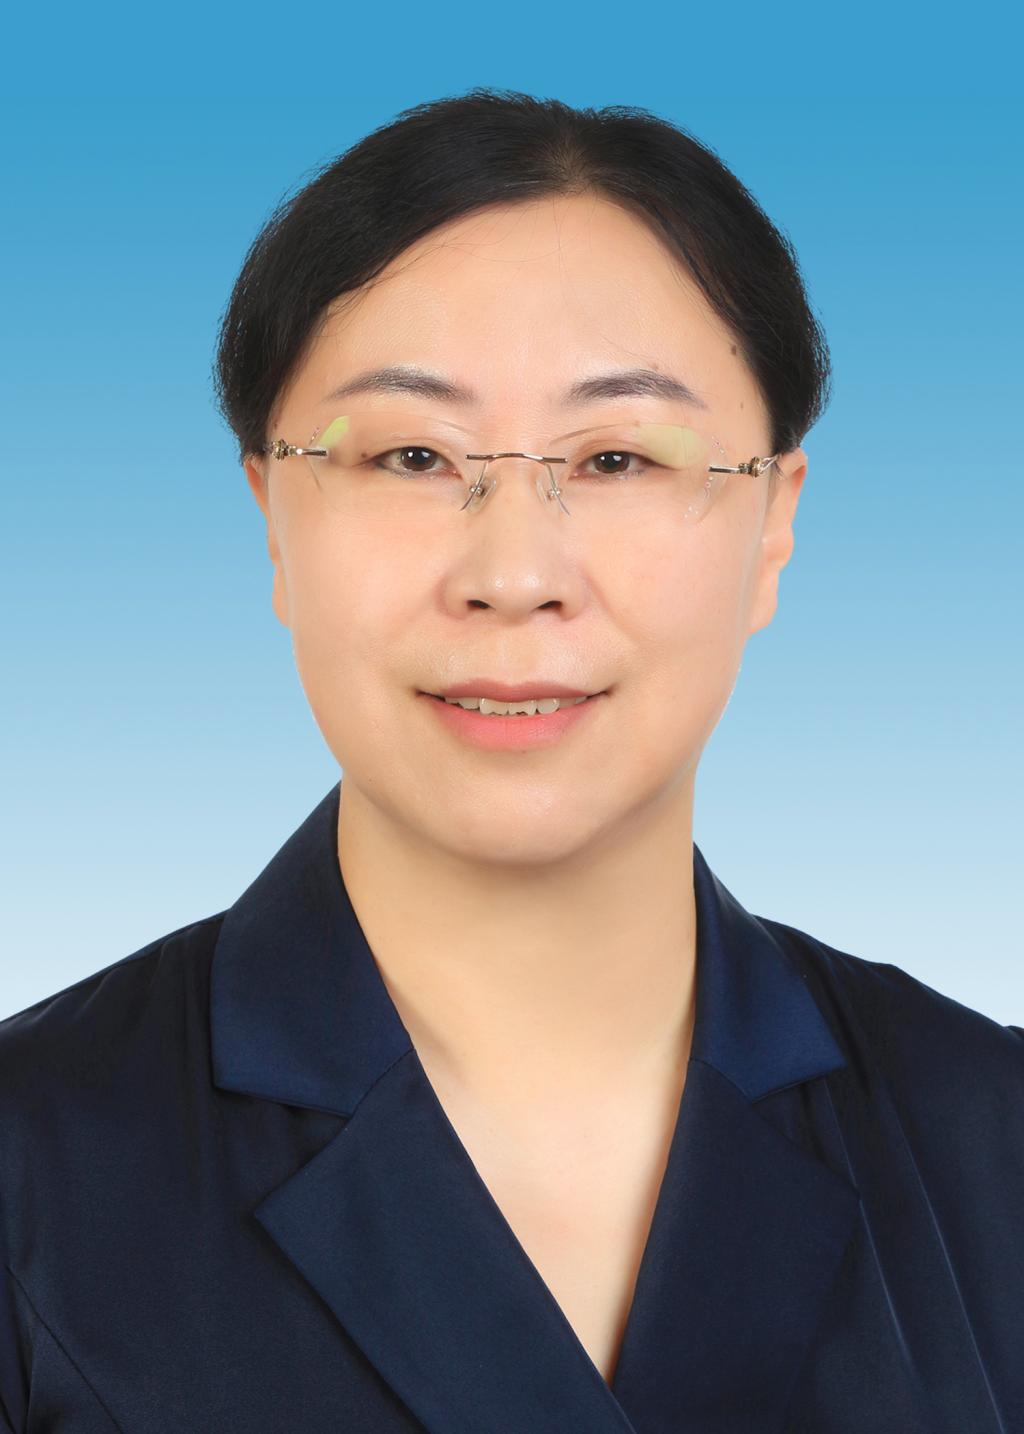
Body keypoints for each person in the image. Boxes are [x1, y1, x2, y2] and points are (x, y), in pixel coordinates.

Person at [1, 89, 1021, 1434]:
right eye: (413, 454)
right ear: (272, 519)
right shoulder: (30, 1166)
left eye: (617, 457)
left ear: (773, 523)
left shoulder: (993, 1145)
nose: (515, 572)